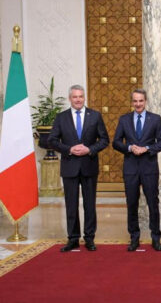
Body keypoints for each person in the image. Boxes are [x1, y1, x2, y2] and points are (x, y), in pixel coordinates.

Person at [48, 84, 110, 252]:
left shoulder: (95, 116)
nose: (78, 99)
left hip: (89, 166)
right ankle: (73, 238)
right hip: (69, 167)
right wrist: (69, 149)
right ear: (70, 98)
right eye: (75, 97)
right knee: (71, 204)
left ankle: (89, 238)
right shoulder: (61, 117)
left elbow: (104, 140)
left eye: (81, 96)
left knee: (90, 205)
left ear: (84, 98)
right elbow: (52, 140)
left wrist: (90, 149)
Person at [112, 88, 161, 252]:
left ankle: (156, 238)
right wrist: (129, 147)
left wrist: (147, 148)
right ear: (132, 102)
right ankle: (134, 238)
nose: (138, 104)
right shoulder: (124, 119)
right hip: (130, 168)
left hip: (149, 167)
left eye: (141, 101)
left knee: (153, 203)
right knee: (132, 203)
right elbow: (116, 142)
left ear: (145, 101)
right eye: (135, 101)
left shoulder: (155, 119)